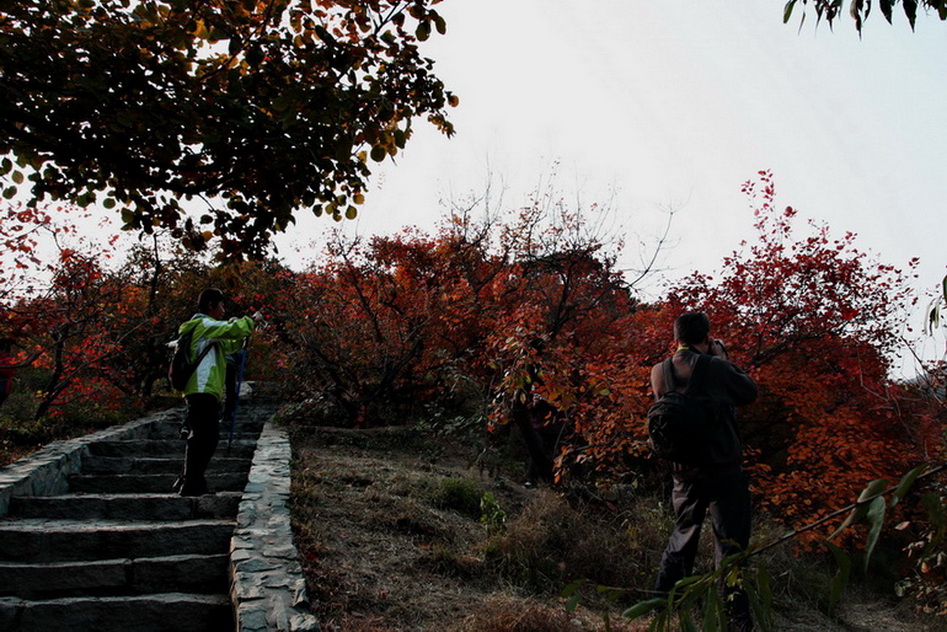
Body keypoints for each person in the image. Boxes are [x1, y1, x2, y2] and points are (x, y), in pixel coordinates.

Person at [650, 312, 758, 631]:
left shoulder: (659, 371)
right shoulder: (714, 366)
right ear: (707, 338)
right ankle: (736, 621)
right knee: (731, 548)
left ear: (676, 338)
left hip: (682, 473)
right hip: (723, 470)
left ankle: (657, 607)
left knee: (682, 537)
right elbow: (749, 392)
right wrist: (723, 359)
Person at [175, 289, 258, 497]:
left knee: (204, 436)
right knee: (205, 437)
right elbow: (232, 329)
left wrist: (243, 336)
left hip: (205, 389)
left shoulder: (206, 329)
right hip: (201, 388)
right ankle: (192, 483)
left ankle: (189, 480)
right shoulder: (203, 324)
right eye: (221, 305)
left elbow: (229, 344)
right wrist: (251, 321)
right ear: (211, 305)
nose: (223, 310)